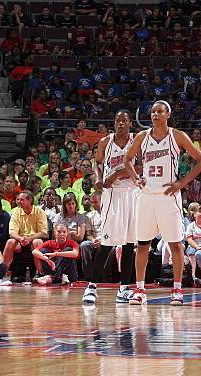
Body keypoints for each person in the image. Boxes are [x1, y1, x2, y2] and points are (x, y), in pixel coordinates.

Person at [123, 100, 201, 305]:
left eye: (159, 111)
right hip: (146, 196)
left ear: (167, 114)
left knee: (175, 245)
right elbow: (127, 160)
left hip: (169, 196)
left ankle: (177, 289)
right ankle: (140, 289)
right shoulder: (142, 137)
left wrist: (182, 182)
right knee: (143, 244)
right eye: (152, 112)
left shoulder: (177, 136)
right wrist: (136, 178)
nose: (155, 115)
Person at [82, 110, 140, 304]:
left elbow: (140, 168)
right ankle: (91, 287)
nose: (121, 124)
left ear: (130, 123)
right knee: (107, 243)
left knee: (129, 243)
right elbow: (97, 163)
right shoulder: (105, 142)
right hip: (112, 195)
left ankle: (124, 288)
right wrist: (98, 178)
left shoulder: (137, 140)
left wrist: (116, 174)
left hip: (132, 193)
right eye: (117, 121)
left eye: (124, 121)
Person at [1, 190, 48, 282]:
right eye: (18, 199)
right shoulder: (16, 212)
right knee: (10, 241)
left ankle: (40, 273)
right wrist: (21, 238)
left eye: (22, 200)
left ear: (30, 200)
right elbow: (12, 233)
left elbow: (43, 232)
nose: (19, 202)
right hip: (20, 241)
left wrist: (29, 238)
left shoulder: (39, 212)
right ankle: (4, 273)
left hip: (34, 239)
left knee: (37, 242)